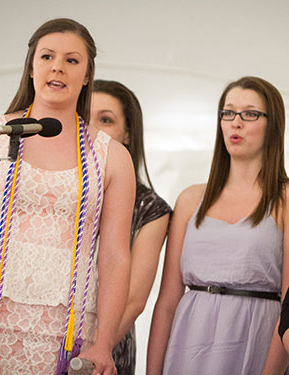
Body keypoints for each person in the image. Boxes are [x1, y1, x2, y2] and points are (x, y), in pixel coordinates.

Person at [0, 18, 135, 375]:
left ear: (88, 74)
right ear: (31, 67)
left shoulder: (112, 157)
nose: (57, 66)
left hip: (67, 329)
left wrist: (105, 340)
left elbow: (115, 255)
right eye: (47, 56)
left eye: (72, 60)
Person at [146, 76, 289, 375]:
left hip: (256, 339)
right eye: (228, 112)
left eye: (249, 113)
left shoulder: (285, 199)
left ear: (272, 124)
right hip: (190, 341)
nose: (235, 122)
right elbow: (168, 300)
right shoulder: (190, 198)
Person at [90, 79, 171, 375]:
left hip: (106, 348)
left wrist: (97, 346)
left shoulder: (151, 208)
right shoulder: (53, 189)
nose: (92, 128)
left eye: (106, 120)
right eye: (83, 117)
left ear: (127, 134)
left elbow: (135, 300)